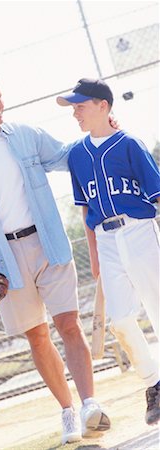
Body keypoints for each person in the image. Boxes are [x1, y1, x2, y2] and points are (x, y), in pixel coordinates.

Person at [0, 75, 112, 444]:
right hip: (2, 258)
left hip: (46, 240)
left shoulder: (25, 135)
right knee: (37, 336)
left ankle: (89, 405)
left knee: (69, 324)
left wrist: (102, 133)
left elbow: (68, 155)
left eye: (0, 96)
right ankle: (67, 411)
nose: (0, 104)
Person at [56, 77, 160, 426]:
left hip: (140, 231)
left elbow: (156, 194)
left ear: (103, 106)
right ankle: (155, 383)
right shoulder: (77, 155)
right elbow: (86, 211)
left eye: (81, 107)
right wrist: (94, 255)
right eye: (73, 108)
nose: (75, 114)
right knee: (120, 319)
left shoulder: (130, 144)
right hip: (106, 238)